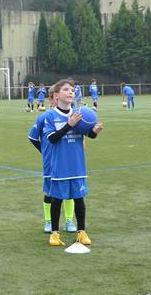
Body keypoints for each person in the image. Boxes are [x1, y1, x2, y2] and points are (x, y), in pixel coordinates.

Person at [41, 79, 104, 247]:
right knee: (57, 199)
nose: (71, 92)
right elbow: (52, 138)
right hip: (60, 165)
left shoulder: (78, 113)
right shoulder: (50, 116)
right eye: (67, 89)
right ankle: (55, 233)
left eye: (73, 90)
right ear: (56, 95)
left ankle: (81, 232)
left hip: (77, 164)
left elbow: (87, 134)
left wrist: (94, 132)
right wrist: (69, 125)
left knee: (79, 199)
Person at [29, 90, 77, 234]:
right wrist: (44, 152)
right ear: (52, 99)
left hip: (67, 161)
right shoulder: (44, 117)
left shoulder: (71, 115)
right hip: (51, 162)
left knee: (70, 192)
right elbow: (32, 137)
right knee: (50, 192)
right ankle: (49, 222)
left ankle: (69, 220)